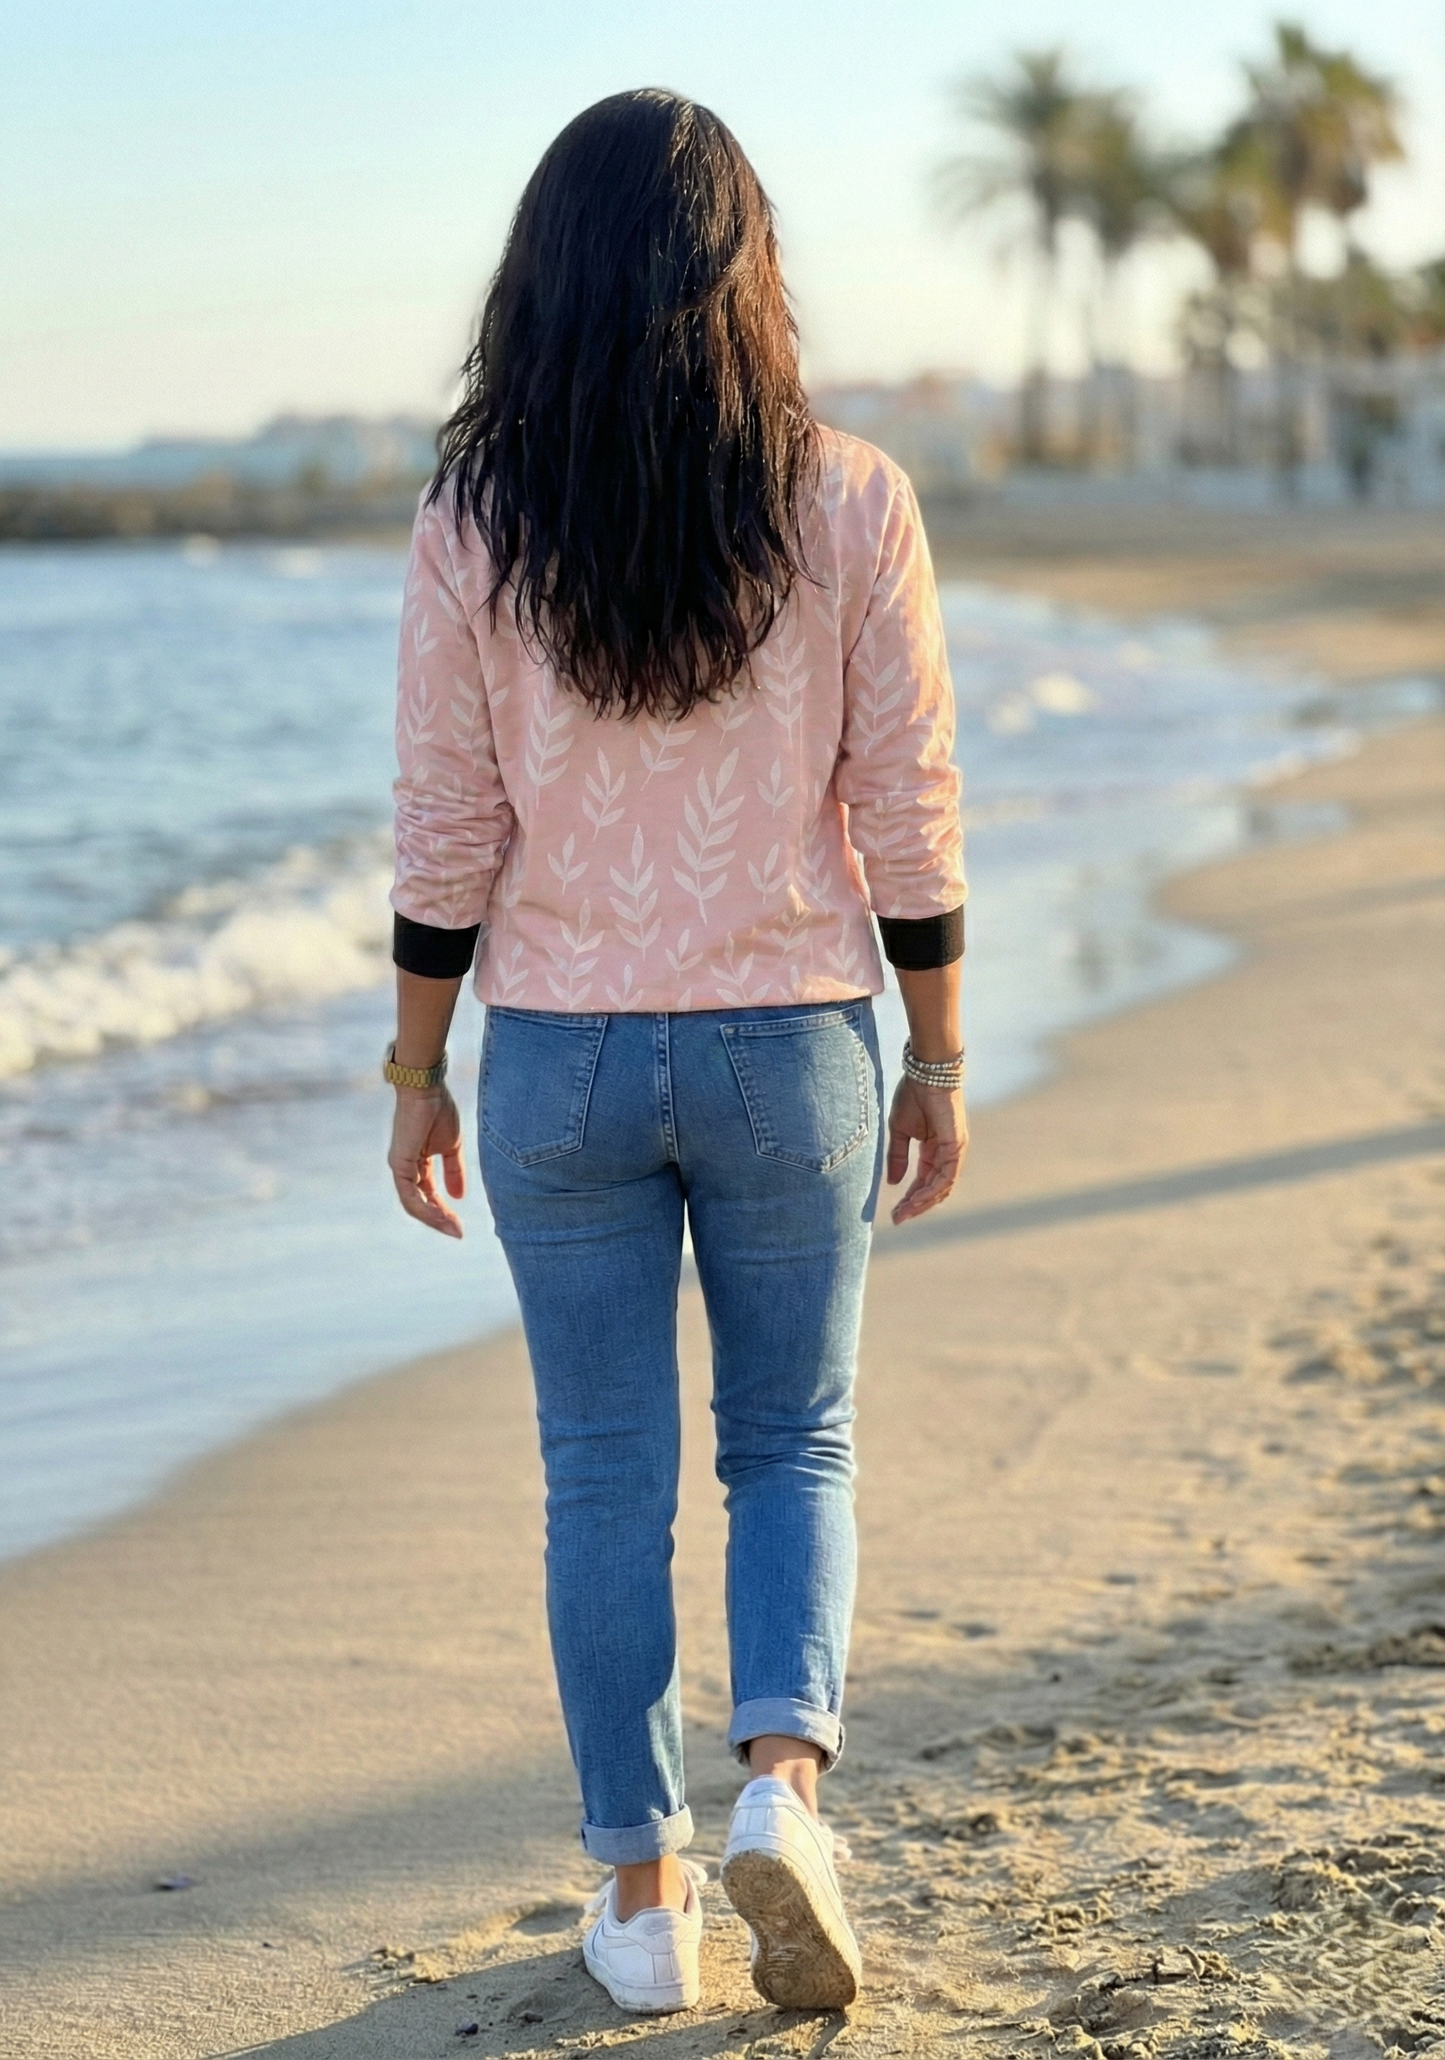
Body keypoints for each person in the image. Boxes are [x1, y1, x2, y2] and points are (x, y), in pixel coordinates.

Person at [385, 89, 966, 2017]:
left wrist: (412, 1069)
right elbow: (909, 805)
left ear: (539, 277)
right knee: (793, 1438)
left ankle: (640, 1905)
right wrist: (941, 1049)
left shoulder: (479, 511)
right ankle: (781, 1790)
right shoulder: (850, 496)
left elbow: (443, 826)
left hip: (553, 1056)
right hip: (790, 1042)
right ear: (751, 277)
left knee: (600, 1472)